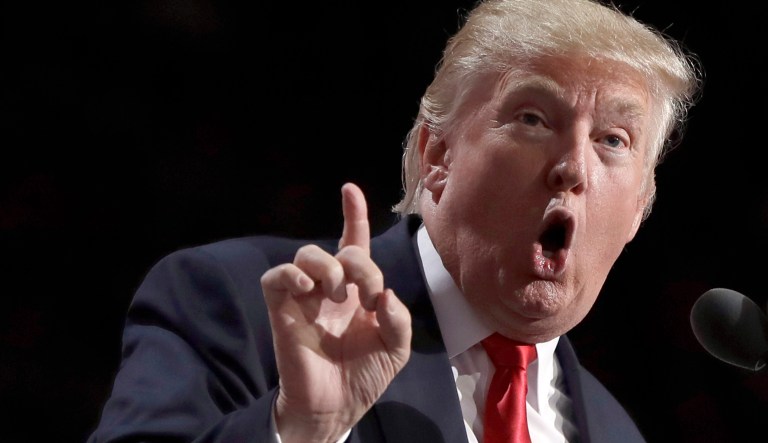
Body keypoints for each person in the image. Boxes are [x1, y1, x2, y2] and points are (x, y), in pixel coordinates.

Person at [87, 0, 702, 441]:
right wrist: (301, 430)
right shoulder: (239, 304)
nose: (573, 166)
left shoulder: (617, 430)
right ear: (437, 155)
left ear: (640, 211)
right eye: (533, 120)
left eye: (614, 139)